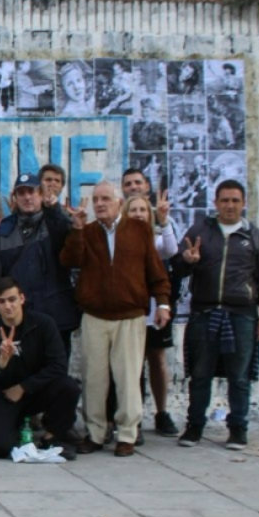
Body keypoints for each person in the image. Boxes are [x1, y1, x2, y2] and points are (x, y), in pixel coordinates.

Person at [60, 182, 171, 457]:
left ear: (119, 202)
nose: (100, 204)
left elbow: (155, 271)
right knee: (94, 378)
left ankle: (127, 434)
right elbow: (69, 260)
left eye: (105, 199)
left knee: (127, 377)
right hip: (95, 316)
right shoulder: (86, 232)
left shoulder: (138, 230)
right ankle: (95, 433)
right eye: (96, 199)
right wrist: (76, 230)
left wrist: (164, 303)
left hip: (130, 316)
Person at [174, 180, 259, 450]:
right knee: (200, 374)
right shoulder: (200, 232)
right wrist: (187, 261)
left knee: (239, 377)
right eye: (224, 200)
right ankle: (194, 427)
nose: (230, 205)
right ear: (216, 203)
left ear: (243, 203)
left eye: (235, 200)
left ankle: (238, 429)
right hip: (205, 313)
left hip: (241, 315)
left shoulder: (255, 237)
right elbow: (176, 269)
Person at [0, 173, 79, 354]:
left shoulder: (55, 221)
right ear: (15, 198)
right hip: (19, 323)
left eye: (32, 191)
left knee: (57, 376)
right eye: (21, 193)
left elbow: (66, 236)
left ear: (41, 194)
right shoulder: (3, 232)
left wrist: (54, 209)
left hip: (56, 320)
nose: (27, 197)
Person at [0, 278, 80, 459]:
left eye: (12, 299)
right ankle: (14, 428)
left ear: (22, 299)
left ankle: (52, 436)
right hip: (4, 395)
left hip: (35, 390)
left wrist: (24, 387)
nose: (8, 306)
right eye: (2, 301)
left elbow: (58, 365)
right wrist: (1, 362)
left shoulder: (43, 324)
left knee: (69, 387)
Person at [121, 171, 180, 437]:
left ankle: (161, 412)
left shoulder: (159, 229)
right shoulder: (119, 229)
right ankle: (134, 418)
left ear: (146, 188)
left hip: (155, 308)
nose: (133, 187)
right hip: (129, 308)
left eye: (137, 183)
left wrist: (164, 220)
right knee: (131, 366)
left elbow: (170, 251)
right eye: (128, 184)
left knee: (156, 359)